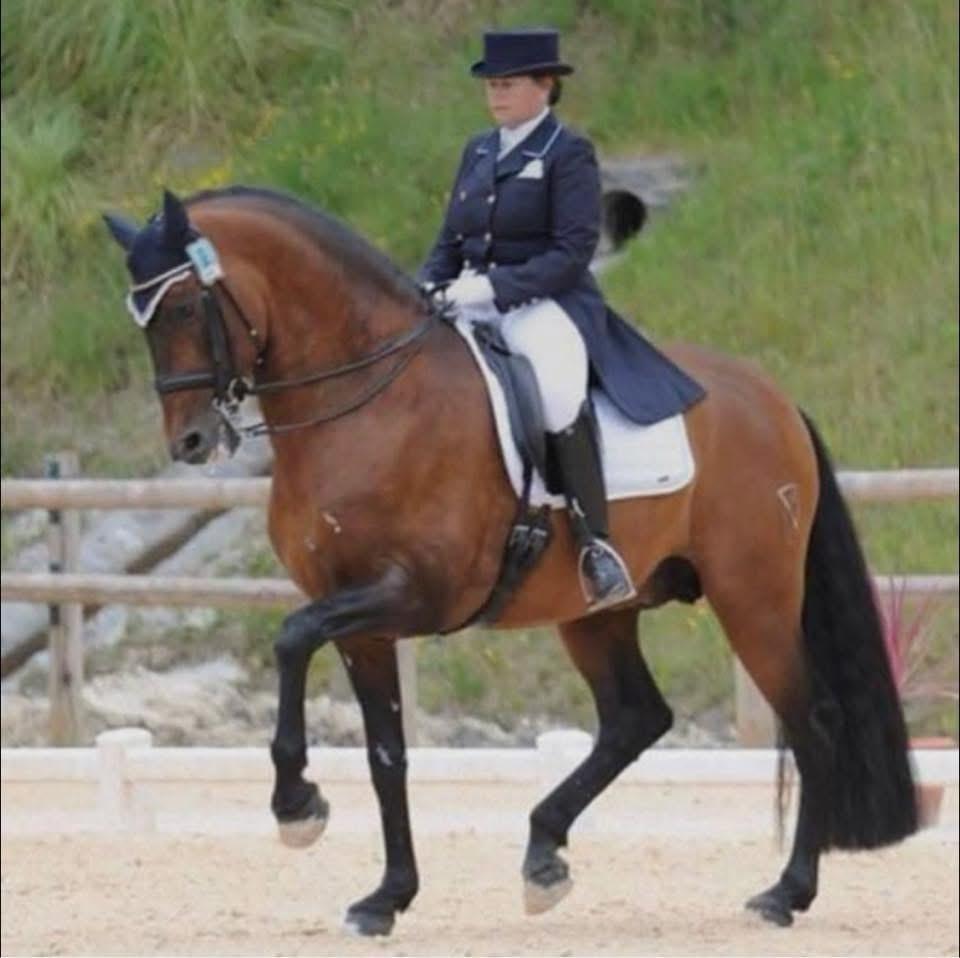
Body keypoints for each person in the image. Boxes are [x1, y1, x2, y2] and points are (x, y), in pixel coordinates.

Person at [419, 28, 704, 612]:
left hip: (544, 304)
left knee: (554, 390)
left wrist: (493, 288)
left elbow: (572, 252)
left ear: (545, 85)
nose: (496, 95)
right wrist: (428, 287)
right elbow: (450, 239)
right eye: (491, 85)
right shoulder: (478, 151)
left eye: (508, 84)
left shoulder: (566, 152)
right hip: (471, 300)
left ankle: (595, 542)